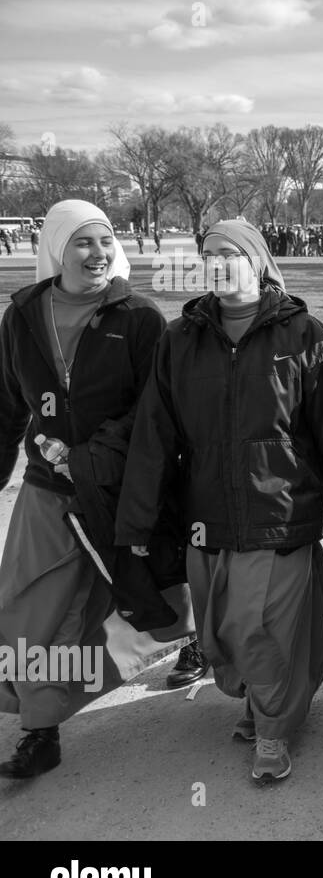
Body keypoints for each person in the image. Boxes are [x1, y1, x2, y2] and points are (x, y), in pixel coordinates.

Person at [116, 219, 323, 783]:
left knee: (260, 629)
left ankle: (274, 732)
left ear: (258, 261)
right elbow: (153, 437)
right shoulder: (179, 340)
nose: (217, 263)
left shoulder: (305, 336)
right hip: (207, 519)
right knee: (221, 636)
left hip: (280, 516)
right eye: (208, 254)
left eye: (231, 253)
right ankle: (261, 703)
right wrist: (136, 522)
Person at [0, 200, 194, 779]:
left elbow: (155, 409)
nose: (99, 254)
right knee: (31, 607)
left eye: (106, 241)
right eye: (84, 242)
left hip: (122, 487)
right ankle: (40, 728)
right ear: (57, 247)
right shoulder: (22, 317)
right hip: (46, 489)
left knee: (151, 589)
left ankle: (193, 642)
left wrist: (88, 457)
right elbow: (8, 405)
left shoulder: (139, 316)